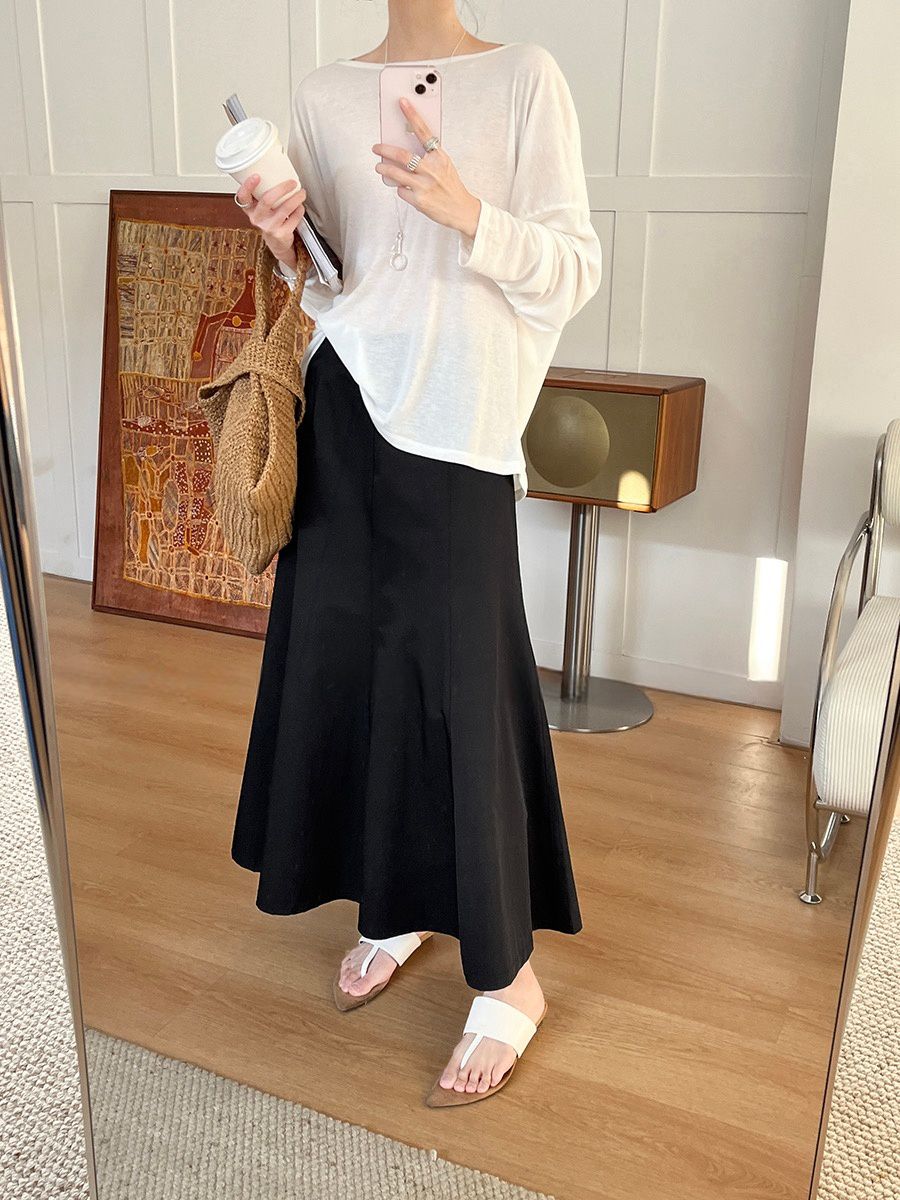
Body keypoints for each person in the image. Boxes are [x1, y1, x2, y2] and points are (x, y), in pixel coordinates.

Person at [231, 0, 602, 1106]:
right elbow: (336, 281)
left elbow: (572, 270)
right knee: (351, 666)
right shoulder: (323, 92)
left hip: (458, 419)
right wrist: (285, 239)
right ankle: (392, 904)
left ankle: (509, 975)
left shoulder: (525, 77)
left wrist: (467, 211)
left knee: (459, 686)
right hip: (345, 409)